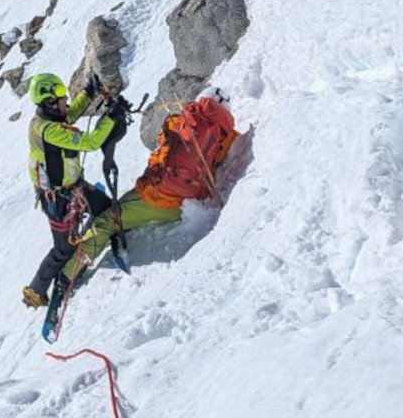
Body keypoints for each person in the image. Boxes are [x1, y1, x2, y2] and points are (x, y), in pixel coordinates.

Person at [58, 85, 240, 284]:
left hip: (159, 198)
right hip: (190, 203)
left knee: (107, 221)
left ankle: (67, 275)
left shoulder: (181, 120)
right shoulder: (228, 134)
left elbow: (159, 156)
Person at [20, 73, 130, 308]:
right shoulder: (49, 131)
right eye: (60, 97)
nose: (65, 101)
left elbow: (69, 115)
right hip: (58, 201)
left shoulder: (47, 120)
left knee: (106, 207)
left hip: (72, 189)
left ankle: (100, 240)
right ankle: (36, 291)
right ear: (49, 102)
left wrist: (89, 93)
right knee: (63, 249)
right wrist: (111, 117)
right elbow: (90, 142)